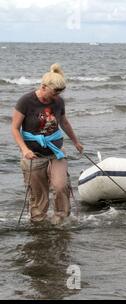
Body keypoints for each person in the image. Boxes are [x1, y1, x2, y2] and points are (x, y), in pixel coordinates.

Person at [11, 63, 83, 224]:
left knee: (60, 186)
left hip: (56, 150)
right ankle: (39, 223)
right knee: (39, 193)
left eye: (60, 92)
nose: (57, 96)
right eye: (55, 92)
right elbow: (15, 128)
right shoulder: (26, 101)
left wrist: (76, 142)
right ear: (43, 87)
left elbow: (64, 122)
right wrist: (24, 149)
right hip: (33, 154)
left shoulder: (58, 102)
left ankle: (61, 220)